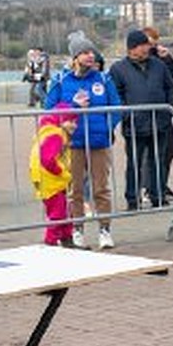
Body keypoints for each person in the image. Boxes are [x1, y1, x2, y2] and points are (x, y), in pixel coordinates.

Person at [44, 31, 121, 250]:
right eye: (85, 52)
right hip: (72, 143)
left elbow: (116, 107)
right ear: (75, 57)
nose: (91, 56)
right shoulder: (60, 80)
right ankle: (77, 230)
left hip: (99, 142)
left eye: (92, 52)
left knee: (101, 188)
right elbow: (50, 110)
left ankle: (105, 230)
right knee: (74, 189)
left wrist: (106, 128)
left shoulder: (104, 79)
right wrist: (73, 109)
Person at [109, 29, 173, 210]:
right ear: (132, 48)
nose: (146, 48)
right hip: (134, 124)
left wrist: (169, 110)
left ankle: (158, 195)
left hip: (160, 121)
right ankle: (133, 198)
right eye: (142, 45)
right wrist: (127, 113)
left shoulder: (158, 65)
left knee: (158, 160)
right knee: (134, 163)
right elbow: (116, 95)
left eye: (147, 44)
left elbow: (170, 87)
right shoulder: (118, 69)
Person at [143, 26, 173, 196]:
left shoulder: (161, 58)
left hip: (166, 111)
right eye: (148, 40)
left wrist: (167, 58)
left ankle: (162, 184)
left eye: (154, 39)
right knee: (149, 153)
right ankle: (148, 188)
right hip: (147, 112)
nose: (152, 43)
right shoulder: (142, 60)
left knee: (169, 150)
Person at [29, 103, 78, 246]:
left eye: (75, 122)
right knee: (57, 213)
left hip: (51, 180)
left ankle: (67, 238)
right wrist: (62, 173)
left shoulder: (54, 133)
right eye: (71, 121)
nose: (74, 125)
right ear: (62, 121)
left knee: (65, 210)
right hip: (50, 181)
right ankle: (50, 241)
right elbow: (47, 160)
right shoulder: (56, 135)